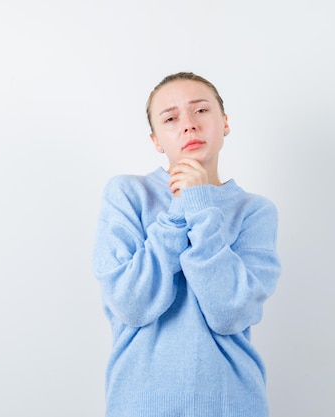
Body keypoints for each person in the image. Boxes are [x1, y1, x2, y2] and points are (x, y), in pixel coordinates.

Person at [92, 71, 282, 417]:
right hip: (140, 403)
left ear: (224, 123)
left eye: (201, 111)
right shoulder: (127, 194)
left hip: (232, 403)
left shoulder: (255, 211)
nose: (189, 125)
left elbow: (230, 312)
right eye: (170, 118)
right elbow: (131, 304)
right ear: (156, 140)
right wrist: (183, 206)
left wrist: (200, 204)